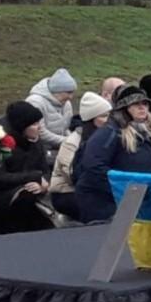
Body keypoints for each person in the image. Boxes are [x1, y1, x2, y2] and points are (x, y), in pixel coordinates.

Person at [76, 85, 151, 224]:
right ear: (124, 108)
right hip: (106, 203)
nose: (142, 108)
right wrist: (127, 188)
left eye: (145, 103)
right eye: (136, 104)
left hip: (142, 200)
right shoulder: (109, 132)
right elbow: (93, 166)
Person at [0, 103, 56, 234]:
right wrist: (33, 177)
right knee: (26, 198)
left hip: (33, 193)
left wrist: (42, 184)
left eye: (39, 123)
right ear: (21, 126)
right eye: (34, 124)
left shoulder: (35, 141)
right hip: (5, 198)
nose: (39, 127)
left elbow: (45, 170)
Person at [49, 92, 112, 221]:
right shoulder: (72, 142)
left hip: (97, 188)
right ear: (92, 118)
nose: (108, 120)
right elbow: (72, 176)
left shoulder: (109, 138)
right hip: (66, 192)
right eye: (104, 116)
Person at [24, 67, 77, 159]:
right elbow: (41, 132)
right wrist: (68, 141)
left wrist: (72, 140)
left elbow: (66, 128)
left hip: (61, 146)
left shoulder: (67, 104)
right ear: (57, 91)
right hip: (40, 148)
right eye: (68, 92)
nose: (71, 97)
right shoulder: (36, 102)